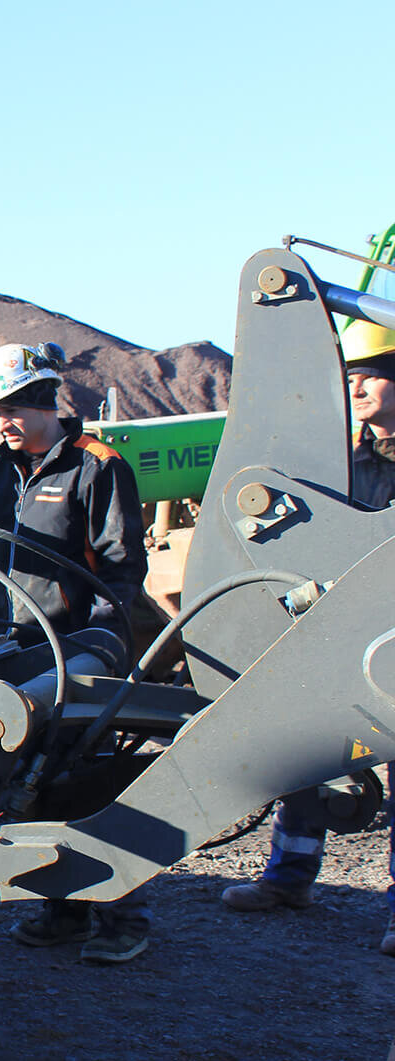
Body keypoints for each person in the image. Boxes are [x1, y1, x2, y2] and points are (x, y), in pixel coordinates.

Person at [0, 341, 153, 965]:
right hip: (14, 651)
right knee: (30, 783)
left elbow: (123, 570)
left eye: (12, 409)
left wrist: (102, 644)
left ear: (45, 401)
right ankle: (62, 909)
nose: (2, 423)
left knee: (90, 785)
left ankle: (125, 916)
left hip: (77, 655)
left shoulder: (96, 466)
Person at [219, 318, 395, 959]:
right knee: (303, 749)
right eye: (350, 376)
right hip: (340, 626)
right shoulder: (353, 463)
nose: (357, 386)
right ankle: (290, 879)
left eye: (369, 373)